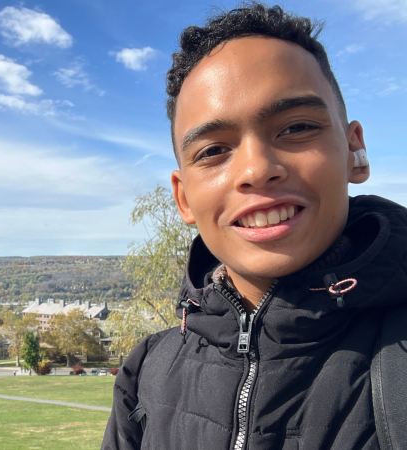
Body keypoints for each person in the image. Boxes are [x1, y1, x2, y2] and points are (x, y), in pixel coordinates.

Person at [102, 3, 403, 450]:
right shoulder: (145, 371)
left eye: (297, 127)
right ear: (184, 198)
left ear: (354, 150)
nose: (256, 169)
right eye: (212, 151)